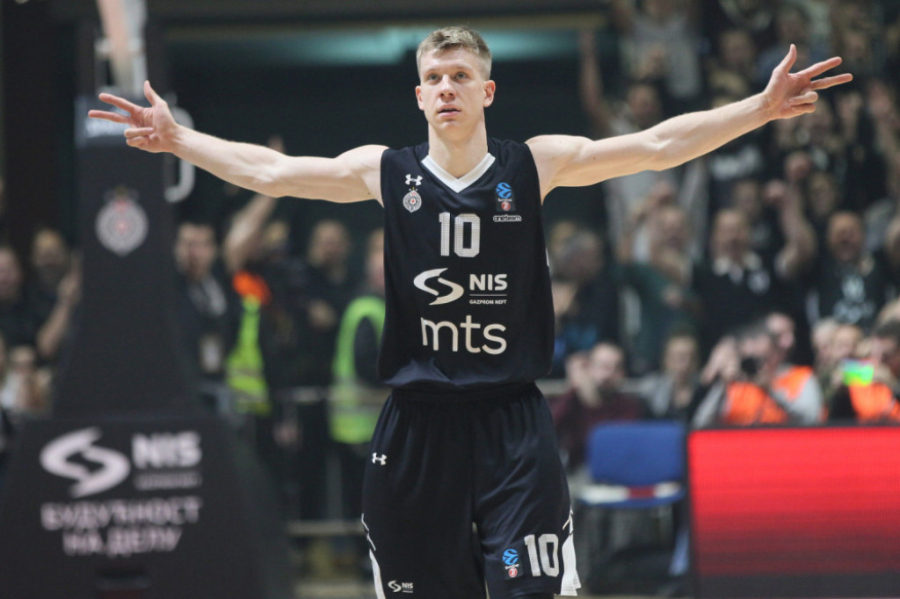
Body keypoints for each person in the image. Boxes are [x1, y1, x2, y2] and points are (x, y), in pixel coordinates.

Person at [90, 26, 851, 599]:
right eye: (434, 78)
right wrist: (179, 140)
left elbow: (655, 145)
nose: (447, 87)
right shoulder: (386, 172)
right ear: (419, 97)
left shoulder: (534, 163)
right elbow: (275, 172)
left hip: (511, 420)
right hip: (418, 424)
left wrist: (759, 109)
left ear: (487, 92)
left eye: (461, 75)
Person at [692, 321, 823, 428]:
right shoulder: (734, 387)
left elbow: (812, 420)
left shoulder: (800, 377)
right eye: (751, 360)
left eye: (763, 359)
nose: (758, 366)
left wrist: (771, 390)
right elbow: (701, 424)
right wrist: (722, 385)